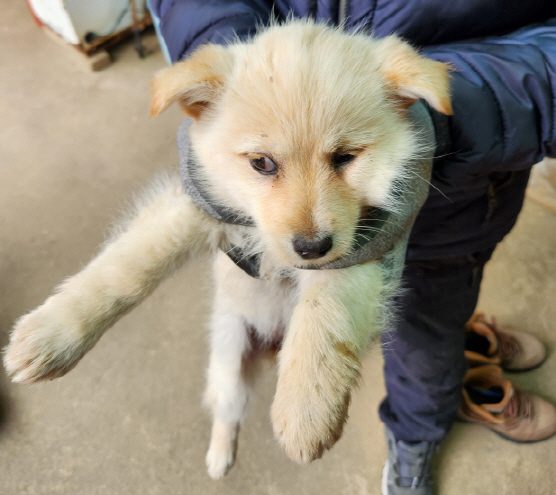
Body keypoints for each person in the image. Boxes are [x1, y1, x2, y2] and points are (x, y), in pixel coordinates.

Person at [148, 1, 556, 493]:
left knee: (429, 337)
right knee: (249, 335)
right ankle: (455, 355)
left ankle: (416, 433)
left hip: (459, 203)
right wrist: (234, 77)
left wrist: (447, 115)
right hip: (286, 160)